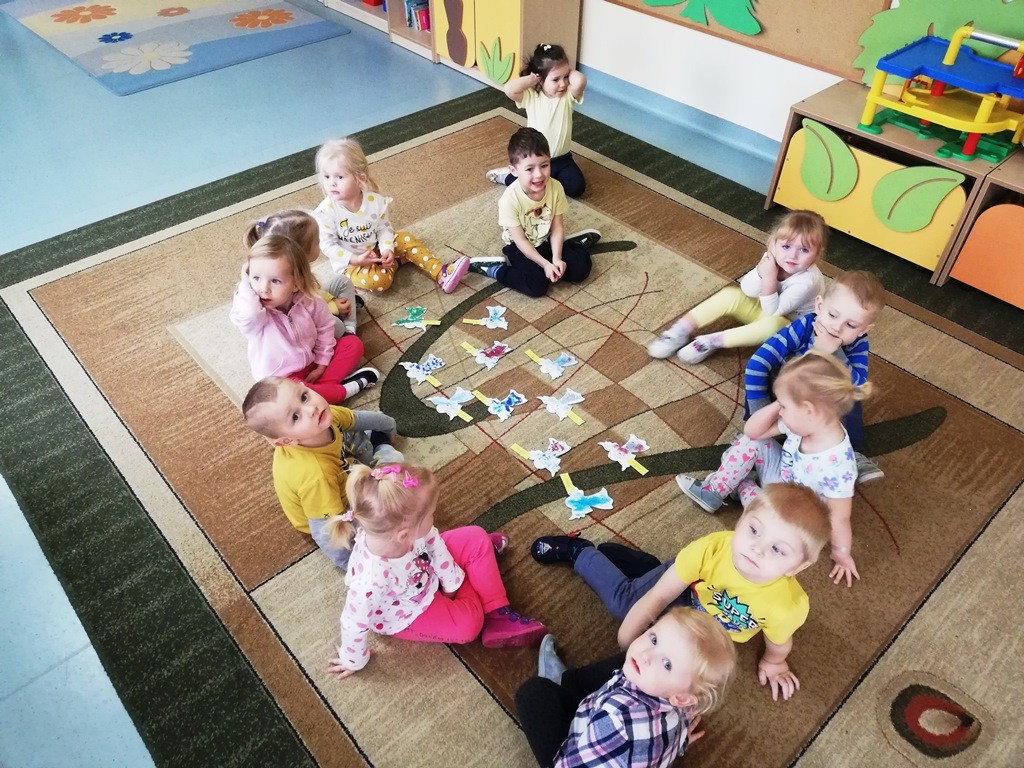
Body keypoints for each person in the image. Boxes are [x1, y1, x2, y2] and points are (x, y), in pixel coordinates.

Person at [530, 483, 831, 701]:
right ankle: (580, 551)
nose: (757, 548)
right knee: (624, 606)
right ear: (740, 521)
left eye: (778, 549)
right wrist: (626, 643)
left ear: (799, 566)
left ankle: (636, 564)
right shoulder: (711, 549)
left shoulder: (788, 606)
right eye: (753, 530)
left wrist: (774, 662)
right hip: (685, 589)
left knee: (687, 670)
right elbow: (657, 597)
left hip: (698, 619)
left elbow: (779, 641)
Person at [326, 463, 547, 678]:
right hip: (408, 611)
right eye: (431, 514)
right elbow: (353, 624)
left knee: (476, 536)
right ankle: (479, 576)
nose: (434, 517)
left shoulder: (406, 531)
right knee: (469, 626)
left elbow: (435, 545)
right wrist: (353, 660)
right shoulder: (369, 584)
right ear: (404, 534)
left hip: (426, 570)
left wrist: (452, 585)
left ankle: (498, 613)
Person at [678, 352, 870, 587]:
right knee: (751, 442)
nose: (780, 412)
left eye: (784, 406)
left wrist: (841, 553)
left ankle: (744, 486)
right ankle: (715, 491)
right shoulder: (805, 422)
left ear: (808, 410)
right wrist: (780, 403)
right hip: (782, 478)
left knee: (763, 518)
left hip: (794, 511)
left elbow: (839, 518)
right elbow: (753, 432)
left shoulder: (837, 466)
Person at [515, 608, 735, 768]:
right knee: (628, 661)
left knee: (532, 693)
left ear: (682, 698)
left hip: (582, 746)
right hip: (625, 734)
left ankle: (562, 686)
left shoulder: (615, 718)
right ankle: (568, 684)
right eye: (654, 638)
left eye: (667, 664)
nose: (647, 655)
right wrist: (679, 741)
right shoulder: (681, 703)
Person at [241, 376, 402, 568]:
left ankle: (377, 447)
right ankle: (381, 446)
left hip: (341, 468)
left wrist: (390, 426)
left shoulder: (323, 416)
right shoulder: (316, 475)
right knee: (396, 485)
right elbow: (326, 530)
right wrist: (350, 564)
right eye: (295, 417)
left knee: (353, 430)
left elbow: (359, 418)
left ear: (305, 386)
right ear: (287, 441)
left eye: (304, 397)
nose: (311, 409)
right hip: (330, 509)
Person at [744, 270, 887, 482]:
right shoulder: (803, 327)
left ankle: (852, 454)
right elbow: (756, 364)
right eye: (832, 315)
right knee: (766, 376)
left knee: (851, 397)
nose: (836, 327)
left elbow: (858, 387)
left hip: (822, 406)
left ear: (864, 330)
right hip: (786, 396)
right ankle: (755, 439)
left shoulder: (858, 343)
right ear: (819, 305)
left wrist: (833, 352)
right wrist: (761, 414)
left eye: (851, 325)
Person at [648, 210, 827, 364]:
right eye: (786, 246)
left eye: (804, 250)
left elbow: (772, 313)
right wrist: (762, 271)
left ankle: (712, 341)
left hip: (793, 328)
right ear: (773, 243)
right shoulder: (773, 257)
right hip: (766, 309)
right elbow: (747, 290)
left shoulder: (808, 281)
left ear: (817, 254)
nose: (792, 256)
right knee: (729, 294)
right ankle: (679, 331)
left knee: (773, 325)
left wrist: (769, 276)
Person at [229, 233, 378, 403]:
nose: (263, 288)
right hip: (282, 380)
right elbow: (250, 314)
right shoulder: (255, 314)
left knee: (353, 344)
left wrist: (322, 363)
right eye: (256, 278)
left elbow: (325, 328)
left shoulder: (310, 301)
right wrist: (245, 283)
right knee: (288, 397)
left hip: (313, 362)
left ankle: (322, 389)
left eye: (275, 281)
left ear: (296, 283)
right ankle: (342, 391)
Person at [312, 137, 470, 295]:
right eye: (327, 177)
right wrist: (354, 259)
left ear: (360, 178)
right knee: (380, 282)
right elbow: (327, 245)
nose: (332, 183)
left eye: (339, 177)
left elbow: (383, 228)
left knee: (405, 238)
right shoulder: (326, 212)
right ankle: (396, 263)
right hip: (350, 265)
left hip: (376, 250)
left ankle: (441, 273)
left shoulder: (375, 202)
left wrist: (387, 249)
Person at [470, 127, 598, 298]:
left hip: (545, 238)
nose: (539, 175)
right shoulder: (509, 200)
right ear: (513, 171)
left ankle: (574, 245)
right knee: (536, 286)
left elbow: (557, 228)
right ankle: (496, 269)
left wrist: (557, 258)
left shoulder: (556, 187)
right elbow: (520, 240)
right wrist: (545, 264)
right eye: (529, 169)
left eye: (544, 165)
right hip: (520, 246)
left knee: (581, 269)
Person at [486, 43, 588, 198]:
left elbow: (580, 81)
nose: (563, 83)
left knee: (577, 188)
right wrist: (533, 77)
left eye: (566, 77)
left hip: (562, 159)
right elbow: (509, 89)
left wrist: (565, 69)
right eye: (556, 79)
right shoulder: (531, 96)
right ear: (540, 79)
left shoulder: (567, 96)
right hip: (535, 159)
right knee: (530, 187)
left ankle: (548, 181)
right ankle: (508, 176)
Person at [244, 210, 358, 338]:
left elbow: (314, 292)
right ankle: (346, 331)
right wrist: (333, 307)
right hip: (303, 321)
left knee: (342, 281)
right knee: (338, 326)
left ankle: (350, 328)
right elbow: (300, 316)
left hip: (313, 302)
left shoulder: (293, 270)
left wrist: (327, 299)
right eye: (317, 242)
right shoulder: (284, 284)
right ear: (303, 251)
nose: (320, 244)